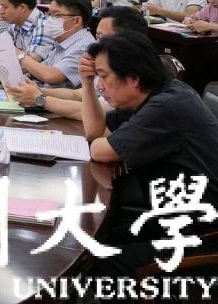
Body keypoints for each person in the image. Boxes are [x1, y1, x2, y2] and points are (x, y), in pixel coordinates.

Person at [82, 31, 218, 281]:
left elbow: (99, 150)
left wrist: (103, 144)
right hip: (175, 217)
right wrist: (86, 83)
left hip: (203, 233)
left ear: (133, 78)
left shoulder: (166, 106)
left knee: (102, 263)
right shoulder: (157, 94)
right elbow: (95, 133)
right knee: (98, 240)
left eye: (104, 76)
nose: (101, 85)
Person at [6, 6, 148, 120]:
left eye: (102, 37)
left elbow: (91, 112)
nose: (96, 43)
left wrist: (40, 99)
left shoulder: (133, 72)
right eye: (97, 36)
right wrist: (37, 91)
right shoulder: (108, 63)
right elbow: (78, 95)